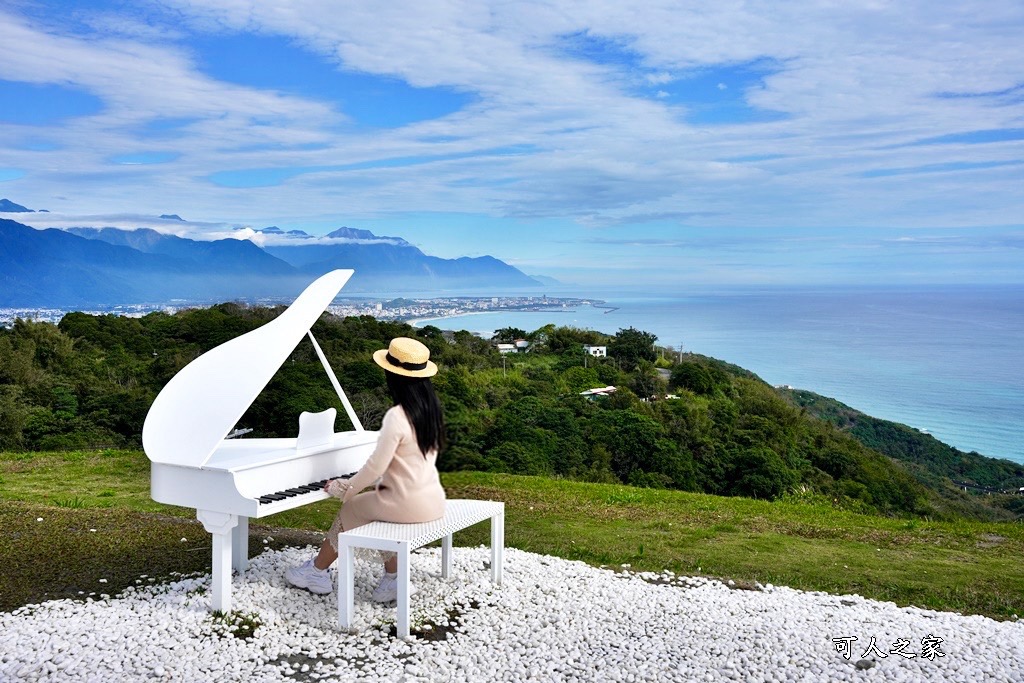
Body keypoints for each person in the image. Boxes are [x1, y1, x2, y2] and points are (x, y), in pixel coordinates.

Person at [285, 336, 446, 602]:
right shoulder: (431, 410)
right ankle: (392, 580)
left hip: (407, 503)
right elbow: (403, 464)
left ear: (393, 376)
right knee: (377, 510)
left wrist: (345, 487)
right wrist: (360, 483)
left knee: (351, 508)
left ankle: (316, 572)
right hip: (433, 500)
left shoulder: (397, 416)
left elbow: (375, 467)